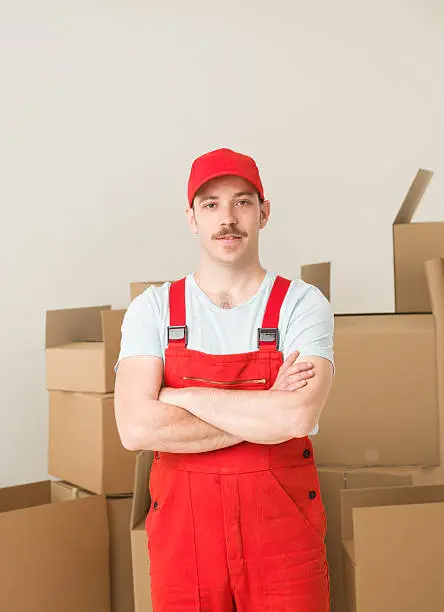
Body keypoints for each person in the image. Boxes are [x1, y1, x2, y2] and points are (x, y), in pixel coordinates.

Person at [114, 147, 334, 611]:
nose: (227, 218)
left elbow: (296, 415)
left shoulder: (301, 304)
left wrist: (178, 395)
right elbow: (136, 428)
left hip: (283, 534)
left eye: (242, 201)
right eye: (211, 204)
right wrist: (262, 408)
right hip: (185, 538)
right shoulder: (154, 310)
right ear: (192, 218)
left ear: (264, 212)